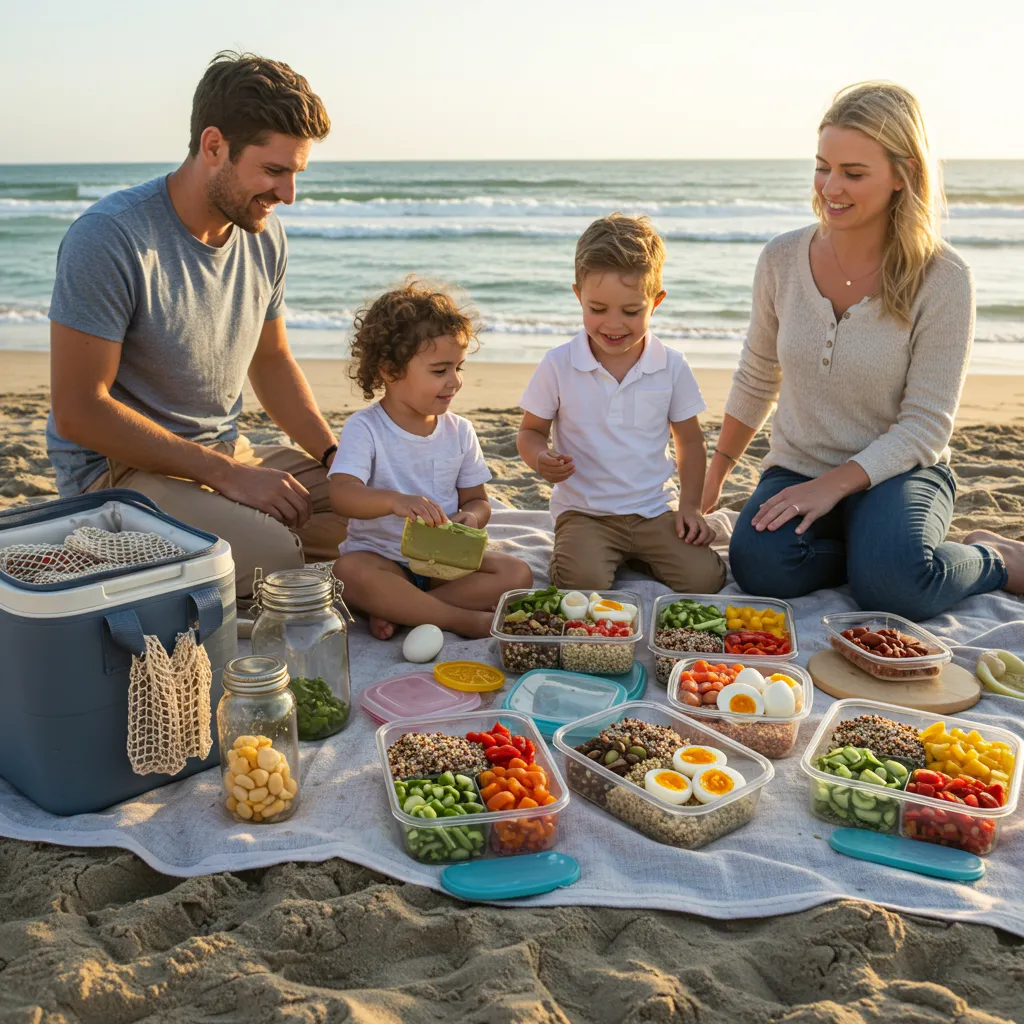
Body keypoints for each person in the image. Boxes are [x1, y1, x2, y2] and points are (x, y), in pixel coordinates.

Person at [703, 81, 1024, 619]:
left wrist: (836, 486)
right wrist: (714, 476)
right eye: (822, 166)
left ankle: (997, 558)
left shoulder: (944, 279)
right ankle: (874, 550)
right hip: (798, 467)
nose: (830, 186)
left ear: (904, 176)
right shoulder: (780, 258)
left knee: (896, 589)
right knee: (759, 566)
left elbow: (926, 426)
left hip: (900, 473)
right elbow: (758, 375)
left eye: (853, 173)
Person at [46, 51, 347, 598]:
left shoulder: (263, 234)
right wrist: (227, 477)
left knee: (368, 509)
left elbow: (272, 361)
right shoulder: (109, 237)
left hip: (226, 455)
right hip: (119, 474)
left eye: (296, 173)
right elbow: (77, 409)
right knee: (277, 555)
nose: (288, 195)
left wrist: (336, 459)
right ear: (214, 146)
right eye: (274, 171)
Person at [517, 214, 726, 593]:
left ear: (656, 302)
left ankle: (636, 554)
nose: (613, 324)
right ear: (578, 295)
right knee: (582, 583)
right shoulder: (558, 364)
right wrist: (539, 459)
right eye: (597, 309)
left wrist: (690, 507)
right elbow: (530, 431)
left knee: (706, 579)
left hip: (654, 510)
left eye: (631, 311)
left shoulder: (672, 365)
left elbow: (690, 441)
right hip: (586, 513)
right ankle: (598, 554)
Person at [329, 279, 533, 640]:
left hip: (445, 562)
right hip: (382, 560)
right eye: (440, 371)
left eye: (459, 368)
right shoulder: (366, 428)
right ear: (390, 371)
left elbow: (477, 500)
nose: (454, 381)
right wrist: (395, 502)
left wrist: (470, 518)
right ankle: (456, 618)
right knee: (348, 572)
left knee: (517, 575)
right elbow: (342, 494)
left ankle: (407, 610)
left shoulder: (459, 431)